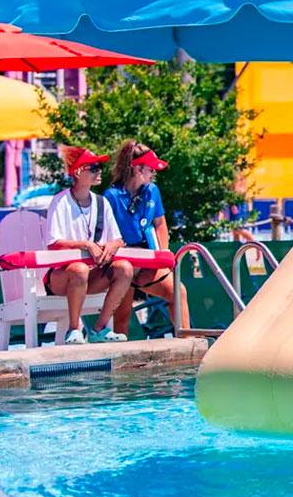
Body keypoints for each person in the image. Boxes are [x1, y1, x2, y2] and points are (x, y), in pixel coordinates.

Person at [44, 146, 133, 344]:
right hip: (61, 278)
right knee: (79, 269)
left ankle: (99, 329)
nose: (99, 171)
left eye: (99, 167)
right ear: (77, 172)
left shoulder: (102, 203)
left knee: (125, 269)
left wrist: (113, 244)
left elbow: (118, 238)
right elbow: (53, 243)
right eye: (93, 167)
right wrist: (86, 244)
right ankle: (74, 329)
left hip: (92, 274)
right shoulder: (60, 202)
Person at [104, 140, 188, 334]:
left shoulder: (152, 191)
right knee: (123, 316)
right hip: (122, 263)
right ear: (137, 169)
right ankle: (120, 356)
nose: (154, 173)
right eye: (150, 169)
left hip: (146, 260)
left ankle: (188, 342)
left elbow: (160, 224)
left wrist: (163, 256)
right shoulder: (112, 196)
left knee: (178, 292)